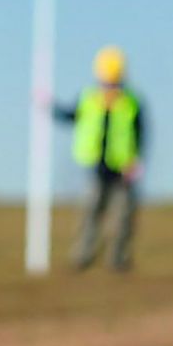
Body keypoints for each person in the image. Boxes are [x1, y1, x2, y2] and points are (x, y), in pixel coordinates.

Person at [53, 45, 146, 272]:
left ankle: (118, 260)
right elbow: (71, 115)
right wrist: (50, 107)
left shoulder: (131, 102)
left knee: (122, 217)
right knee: (90, 213)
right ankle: (82, 257)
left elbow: (139, 133)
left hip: (122, 168)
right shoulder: (89, 99)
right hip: (96, 167)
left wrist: (135, 160)